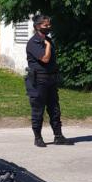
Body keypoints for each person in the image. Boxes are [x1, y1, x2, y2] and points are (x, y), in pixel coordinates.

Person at [25, 14, 71, 148]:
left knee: (55, 109)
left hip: (51, 79)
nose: (49, 27)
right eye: (46, 25)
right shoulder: (34, 42)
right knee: (38, 110)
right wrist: (48, 46)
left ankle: (58, 136)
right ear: (37, 26)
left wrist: (48, 44)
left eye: (49, 25)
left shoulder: (48, 40)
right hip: (38, 81)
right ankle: (38, 138)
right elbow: (45, 59)